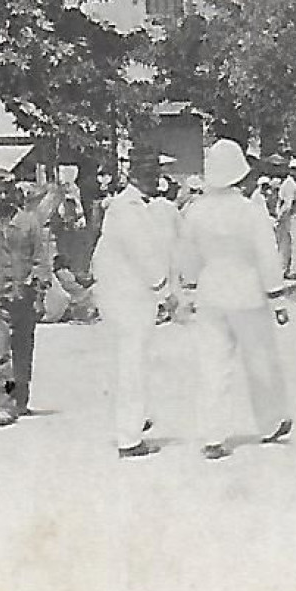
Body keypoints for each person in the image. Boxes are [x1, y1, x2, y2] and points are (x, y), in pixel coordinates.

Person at [177, 140, 293, 460]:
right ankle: (269, 422)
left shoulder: (195, 212)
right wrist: (278, 298)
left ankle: (212, 435)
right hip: (247, 292)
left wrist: (191, 286)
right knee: (259, 360)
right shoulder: (249, 210)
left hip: (211, 292)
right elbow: (267, 256)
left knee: (213, 364)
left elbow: (187, 257)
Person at [92, 162, 175, 458]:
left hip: (127, 297)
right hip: (126, 298)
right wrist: (164, 291)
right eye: (151, 175)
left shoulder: (136, 206)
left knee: (130, 362)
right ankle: (129, 438)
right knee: (132, 365)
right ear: (135, 176)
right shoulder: (126, 209)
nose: (157, 180)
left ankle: (133, 420)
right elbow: (144, 255)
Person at [0, 172, 50, 427]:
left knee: (23, 351)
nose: (3, 197)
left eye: (7, 191)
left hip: (24, 299)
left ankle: (20, 400)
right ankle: (4, 405)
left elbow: (41, 261)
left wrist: (38, 292)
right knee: (2, 354)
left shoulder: (29, 223)